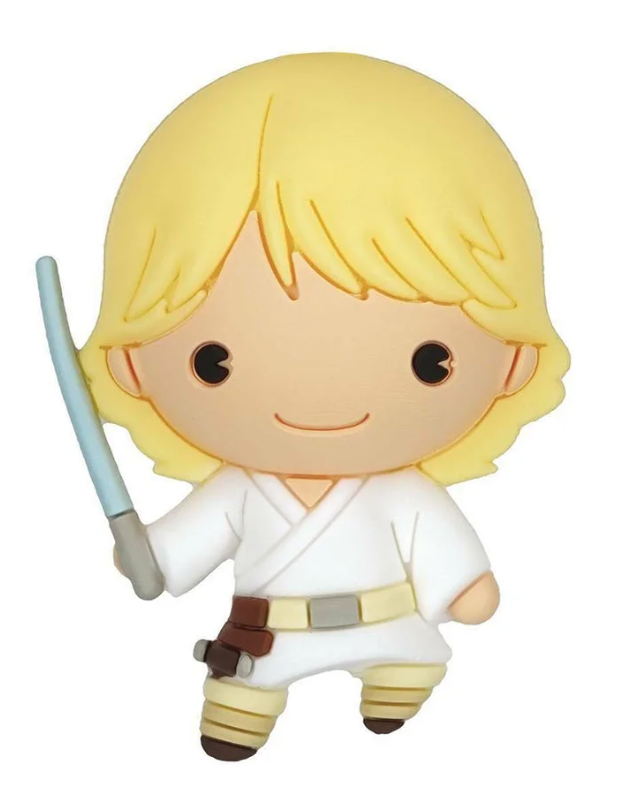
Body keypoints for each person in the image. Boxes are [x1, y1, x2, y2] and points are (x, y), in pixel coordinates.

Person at [80, 53, 569, 761]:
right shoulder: (239, 492)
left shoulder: (400, 492)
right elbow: (166, 559)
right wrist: (144, 555)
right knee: (238, 699)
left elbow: (445, 555)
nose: (321, 392)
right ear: (132, 365)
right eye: (213, 361)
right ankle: (244, 713)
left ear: (513, 361)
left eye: (429, 360)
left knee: (408, 658)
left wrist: (466, 586)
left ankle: (398, 679)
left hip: (388, 624)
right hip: (263, 637)